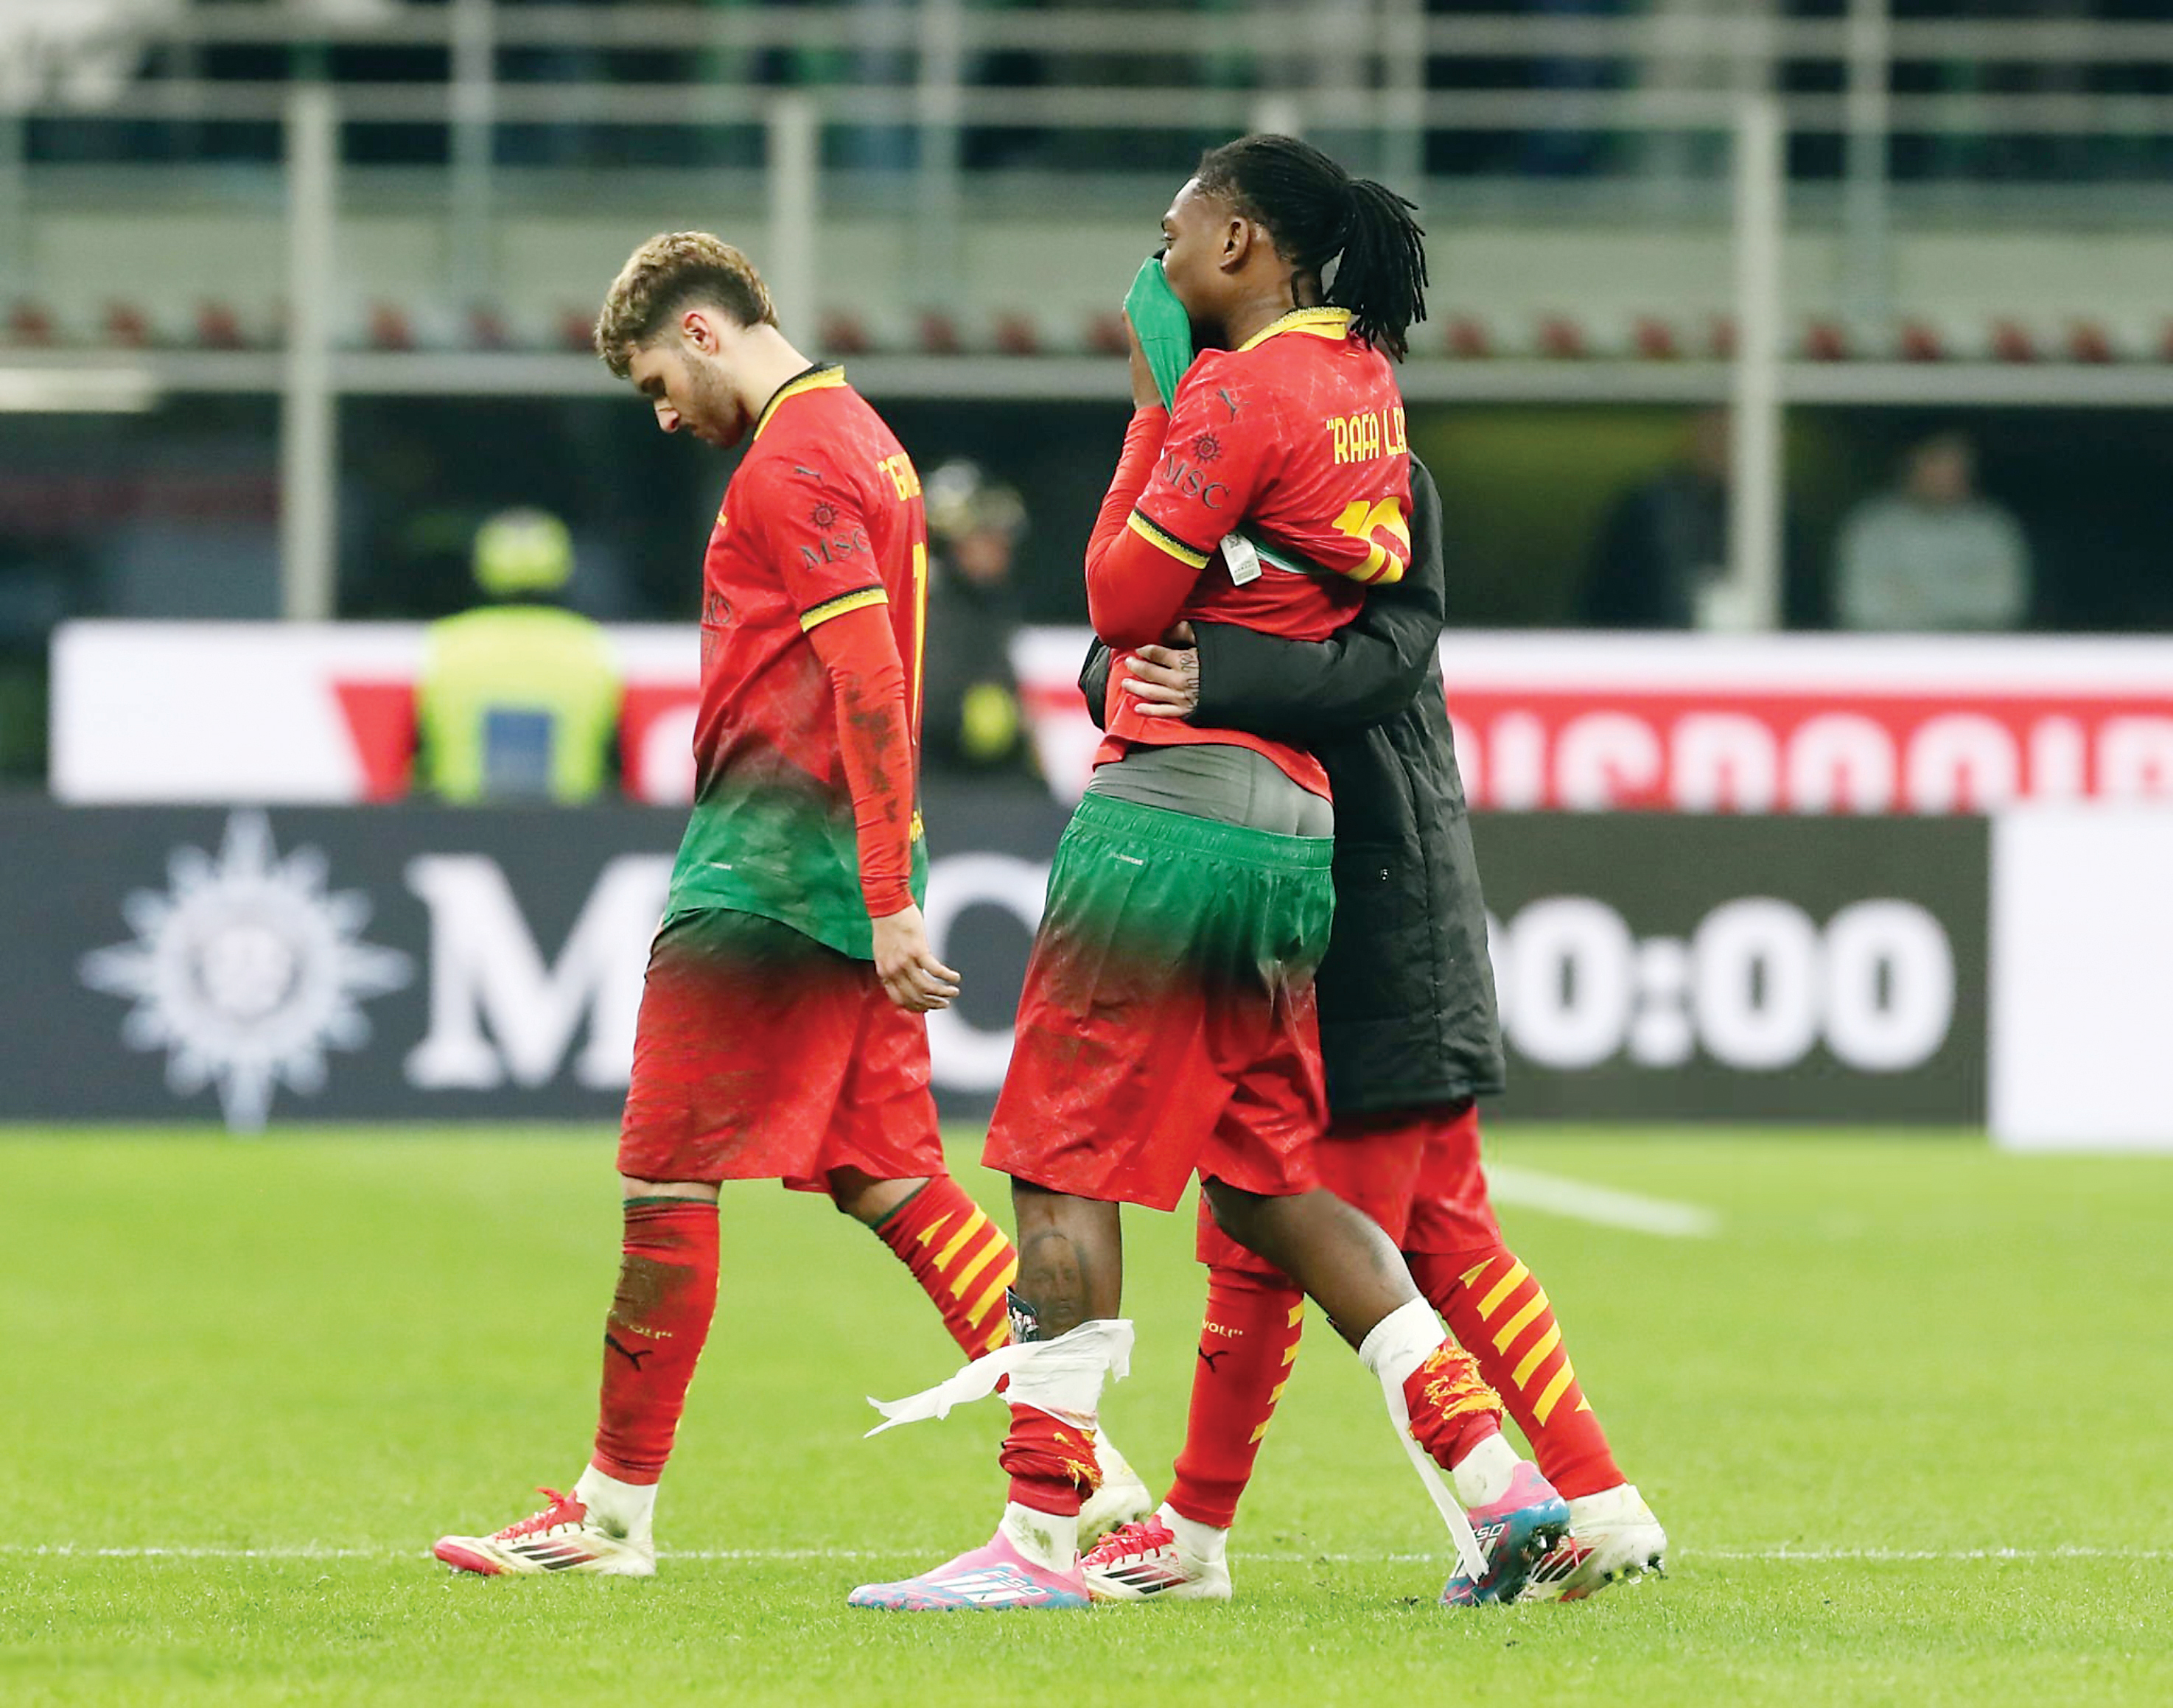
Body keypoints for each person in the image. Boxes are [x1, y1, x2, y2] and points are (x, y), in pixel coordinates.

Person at [848, 136, 1567, 1616]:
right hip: (1293, 822)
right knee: (1266, 1182)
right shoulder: (1363, 383)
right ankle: (1500, 1481)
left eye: (1171, 229)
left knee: (1058, 1160)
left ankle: (1037, 1534)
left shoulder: (1233, 392)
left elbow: (1119, 596)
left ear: (1237, 242)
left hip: (1172, 812)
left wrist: (1149, 405)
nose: (1154, 256)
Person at [430, 231, 1147, 1577]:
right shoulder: (864, 437)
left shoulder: (797, 457)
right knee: (891, 1177)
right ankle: (1096, 1482)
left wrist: (883, 896)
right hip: (841, 865)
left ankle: (608, 1513)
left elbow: (869, 677)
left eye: (657, 382)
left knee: (664, 1172)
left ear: (703, 332)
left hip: (769, 871)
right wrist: (887, 880)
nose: (661, 415)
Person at [1071, 454, 1667, 1606]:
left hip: (1360, 895)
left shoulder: (1361, 470)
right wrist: (1140, 669)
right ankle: (1598, 1500)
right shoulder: (1231, 462)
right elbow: (1113, 649)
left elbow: (1387, 658)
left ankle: (1196, 1533)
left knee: (1263, 1215)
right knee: (1443, 1226)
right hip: (1358, 881)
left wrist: (1210, 673)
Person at [413, 508, 622, 803]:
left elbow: (417, 761)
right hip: (571, 824)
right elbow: (615, 765)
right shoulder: (590, 646)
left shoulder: (447, 643)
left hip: (459, 823)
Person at [1833, 430, 2032, 632]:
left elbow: (2002, 605)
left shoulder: (1993, 529)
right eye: (1936, 462)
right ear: (1909, 465)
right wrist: (1961, 591)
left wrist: (1911, 593)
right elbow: (1862, 606)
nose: (1946, 474)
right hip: (1890, 649)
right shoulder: (1871, 527)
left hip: (1974, 650)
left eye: (1956, 464)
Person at [918, 459, 1036, 779]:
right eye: (984, 535)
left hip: (986, 779)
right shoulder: (930, 611)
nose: (1000, 547)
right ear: (947, 543)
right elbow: (932, 714)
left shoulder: (989, 604)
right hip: (940, 780)